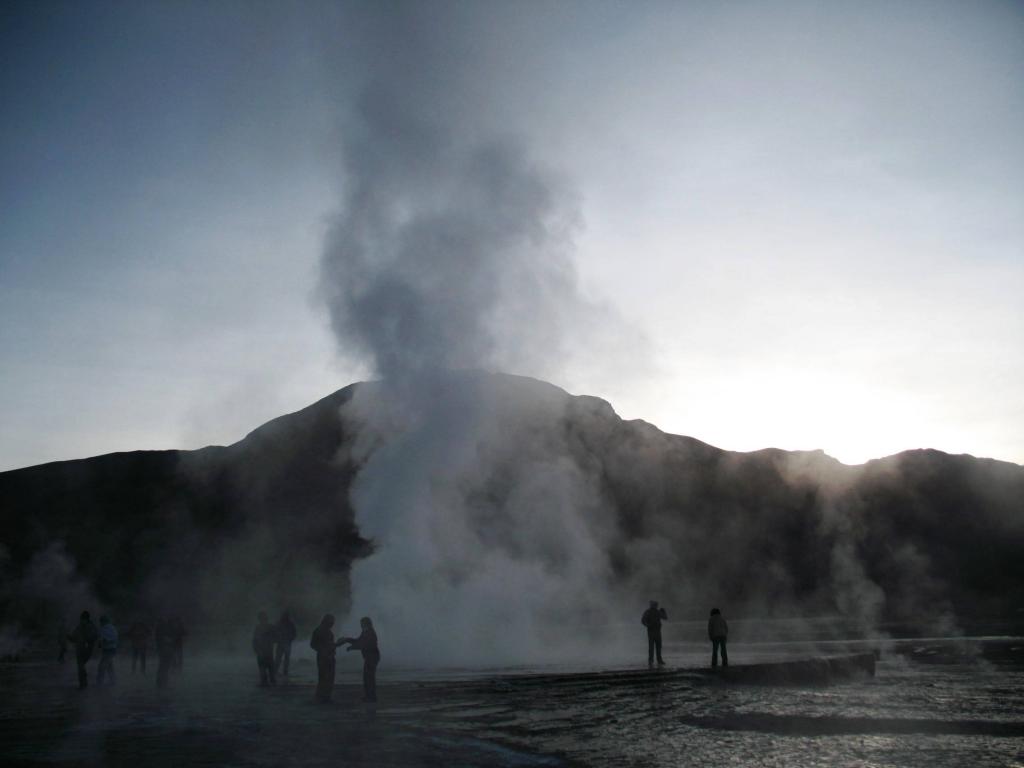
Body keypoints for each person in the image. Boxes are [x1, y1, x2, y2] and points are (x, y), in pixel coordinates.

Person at [340, 617, 380, 703]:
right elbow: (358, 641)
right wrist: (347, 640)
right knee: (367, 677)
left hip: (372, 657)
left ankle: (371, 697)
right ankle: (369, 696)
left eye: (362, 623)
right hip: (370, 657)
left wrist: (352, 647)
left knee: (369, 677)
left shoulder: (370, 633)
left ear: (366, 624)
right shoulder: (366, 632)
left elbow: (363, 644)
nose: (361, 625)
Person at [310, 614, 342, 703]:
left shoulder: (323, 631)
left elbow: (313, 644)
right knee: (326, 677)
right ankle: (323, 696)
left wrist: (335, 646)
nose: (333, 624)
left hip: (327, 657)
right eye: (332, 622)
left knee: (325, 677)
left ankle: (323, 696)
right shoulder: (321, 631)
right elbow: (313, 644)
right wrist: (323, 650)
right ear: (328, 621)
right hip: (324, 657)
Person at [68, 611, 98, 689]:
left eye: (83, 619)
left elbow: (94, 637)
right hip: (79, 650)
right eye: (81, 619)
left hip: (87, 650)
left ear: (87, 619)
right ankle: (83, 685)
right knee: (80, 667)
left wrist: (88, 639)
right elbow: (74, 637)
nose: (82, 621)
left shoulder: (91, 627)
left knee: (81, 667)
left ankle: (83, 685)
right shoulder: (79, 627)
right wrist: (69, 637)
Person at [252, 612, 277, 687]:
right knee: (268, 672)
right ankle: (269, 687)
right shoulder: (259, 628)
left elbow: (254, 640)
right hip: (264, 652)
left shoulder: (263, 628)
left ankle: (266, 686)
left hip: (266, 652)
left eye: (263, 618)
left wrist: (256, 649)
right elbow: (255, 640)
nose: (262, 620)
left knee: (268, 672)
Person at [641, 600, 668, 667]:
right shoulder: (648, 612)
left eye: (655, 605)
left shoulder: (656, 612)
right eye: (655, 605)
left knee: (657, 646)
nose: (655, 606)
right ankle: (652, 660)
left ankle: (657, 660)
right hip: (652, 631)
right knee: (652, 647)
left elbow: (665, 617)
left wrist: (663, 611)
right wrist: (647, 625)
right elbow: (643, 621)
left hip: (656, 631)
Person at [96, 615, 118, 685]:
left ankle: (100, 681)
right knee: (109, 666)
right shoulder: (105, 628)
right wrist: (101, 643)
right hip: (108, 649)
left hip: (110, 649)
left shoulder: (109, 628)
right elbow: (101, 638)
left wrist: (105, 641)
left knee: (102, 666)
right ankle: (113, 680)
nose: (100, 623)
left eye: (101, 621)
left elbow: (113, 638)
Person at [274, 611, 297, 677]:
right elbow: (274, 632)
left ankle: (281, 671)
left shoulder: (288, 624)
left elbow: (294, 633)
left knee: (281, 658)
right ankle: (279, 671)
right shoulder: (287, 624)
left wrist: (290, 639)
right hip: (283, 643)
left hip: (285, 643)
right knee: (280, 658)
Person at [155, 617, 175, 689]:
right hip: (165, 650)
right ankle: (162, 682)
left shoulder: (160, 630)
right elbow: (166, 640)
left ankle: (162, 682)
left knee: (163, 666)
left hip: (163, 650)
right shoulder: (162, 630)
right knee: (164, 666)